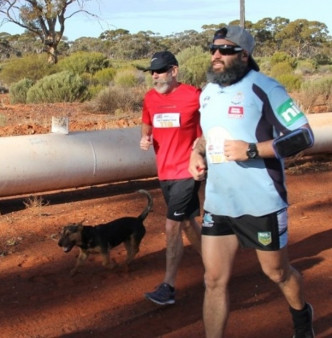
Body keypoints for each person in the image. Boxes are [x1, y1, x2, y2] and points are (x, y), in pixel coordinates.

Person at [189, 26, 315, 337]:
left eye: (225, 50)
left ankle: (302, 317)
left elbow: (304, 135)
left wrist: (252, 150)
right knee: (213, 280)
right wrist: (196, 151)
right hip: (219, 203)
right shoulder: (207, 92)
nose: (215, 54)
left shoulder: (265, 88)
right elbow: (210, 136)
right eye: (212, 49)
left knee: (276, 272)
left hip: (261, 202)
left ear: (244, 55)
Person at [140, 51, 202, 305]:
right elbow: (147, 125)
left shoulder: (194, 96)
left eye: (161, 70)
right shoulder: (150, 98)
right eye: (152, 72)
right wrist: (144, 138)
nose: (155, 76)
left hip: (186, 171)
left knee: (172, 226)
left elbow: (212, 124)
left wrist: (201, 151)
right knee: (187, 222)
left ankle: (168, 286)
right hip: (164, 172)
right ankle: (215, 264)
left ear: (174, 71)